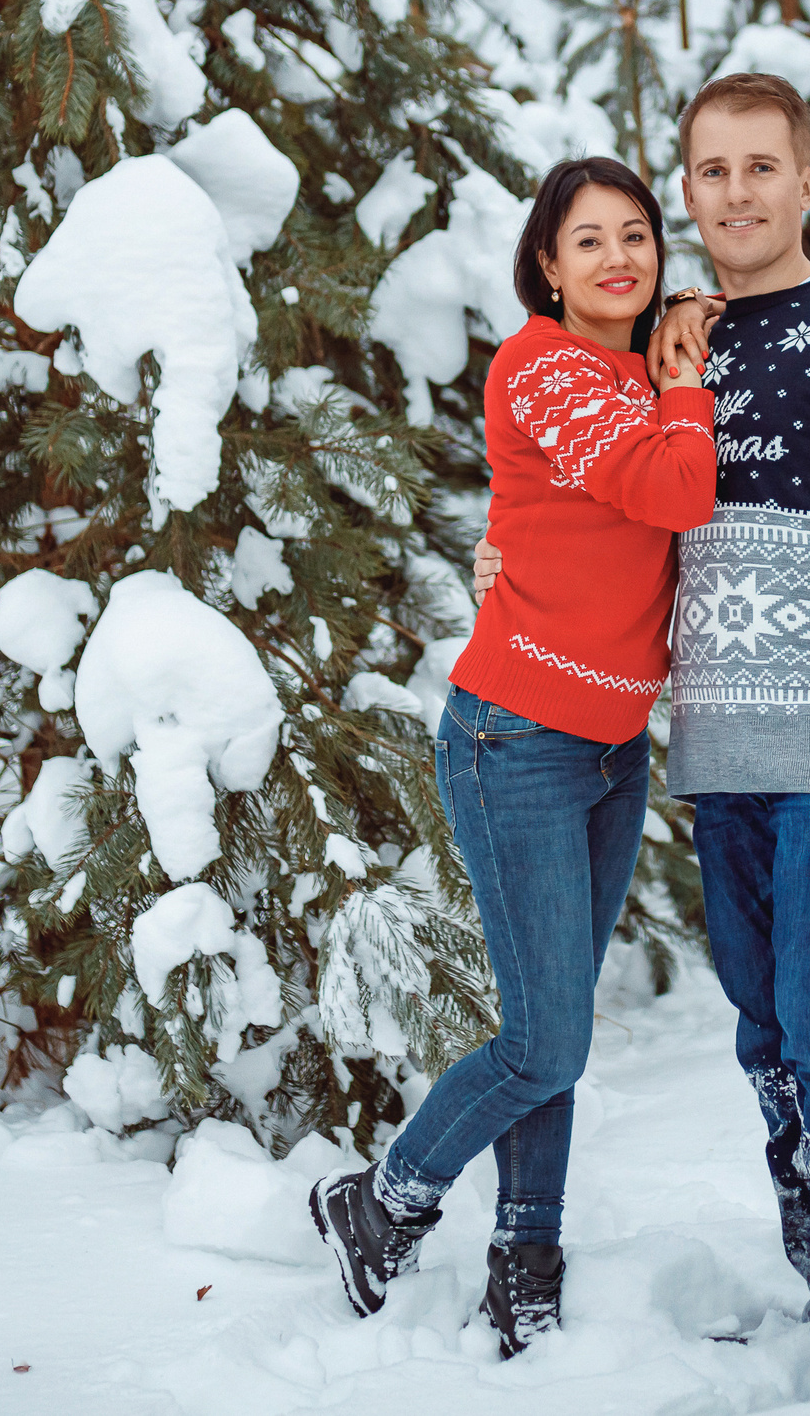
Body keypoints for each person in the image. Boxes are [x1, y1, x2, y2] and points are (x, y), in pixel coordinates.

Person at [473, 75, 810, 1395]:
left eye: (763, 166)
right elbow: (593, 498)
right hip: (719, 752)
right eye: (711, 170)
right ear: (684, 188)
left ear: (806, 179)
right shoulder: (664, 338)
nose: (737, 192)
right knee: (765, 1029)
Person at [309, 155, 717, 1358]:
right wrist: (684, 377)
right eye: (587, 241)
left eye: (636, 235)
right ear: (547, 264)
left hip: (608, 747)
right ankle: (381, 1200)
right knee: (545, 1039)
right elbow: (668, 488)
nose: (618, 259)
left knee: (554, 1020)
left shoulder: (635, 369)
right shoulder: (543, 362)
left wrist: (684, 354)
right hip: (515, 740)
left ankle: (523, 1256)